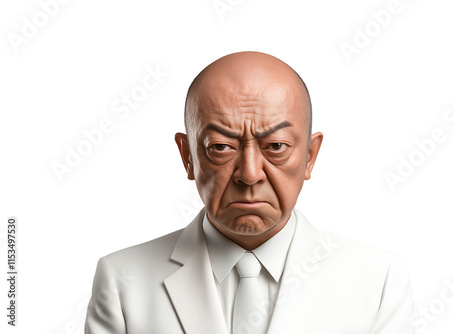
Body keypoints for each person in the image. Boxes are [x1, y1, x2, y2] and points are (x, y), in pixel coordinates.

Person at [85, 51, 414, 334]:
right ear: (188, 157)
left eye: (276, 146)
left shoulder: (378, 280)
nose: (250, 174)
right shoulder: (122, 280)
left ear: (310, 157)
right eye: (221, 147)